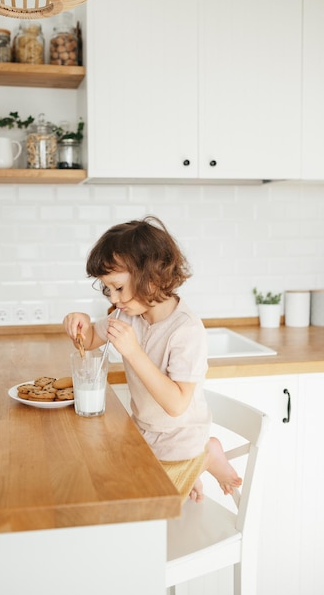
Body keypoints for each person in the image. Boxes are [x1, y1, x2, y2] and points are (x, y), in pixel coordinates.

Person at [63, 216, 241, 503]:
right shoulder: (129, 314)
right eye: (107, 289)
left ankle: (203, 456)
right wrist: (78, 323)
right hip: (143, 437)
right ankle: (203, 456)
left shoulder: (186, 330)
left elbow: (177, 404)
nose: (114, 298)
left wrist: (133, 352)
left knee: (143, 513)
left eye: (118, 287)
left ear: (153, 278)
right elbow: (90, 340)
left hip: (179, 443)